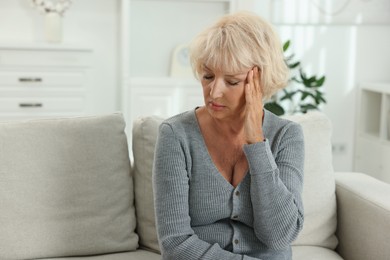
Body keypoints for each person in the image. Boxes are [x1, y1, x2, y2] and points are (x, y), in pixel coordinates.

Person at [152, 11, 304, 260]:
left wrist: (257, 143)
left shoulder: (286, 135)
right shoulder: (176, 135)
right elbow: (175, 243)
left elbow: (280, 236)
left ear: (260, 82)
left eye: (232, 81)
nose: (214, 92)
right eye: (208, 76)